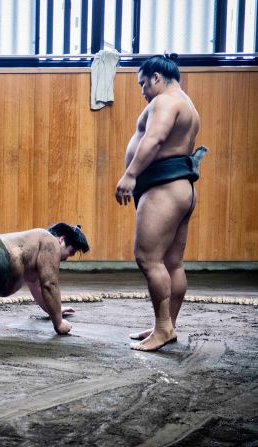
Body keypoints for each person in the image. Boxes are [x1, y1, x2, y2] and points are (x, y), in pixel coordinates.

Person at [114, 54, 207, 351]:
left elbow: (153, 139)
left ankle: (164, 328)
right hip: (181, 187)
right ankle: (166, 325)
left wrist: (130, 175)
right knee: (172, 262)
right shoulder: (187, 103)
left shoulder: (165, 102)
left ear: (156, 77)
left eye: (143, 83)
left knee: (147, 258)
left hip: (163, 187)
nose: (142, 91)